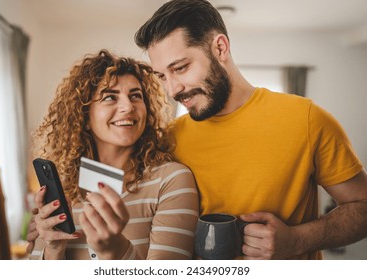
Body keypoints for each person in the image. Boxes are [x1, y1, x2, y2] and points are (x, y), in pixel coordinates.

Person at [134, 0, 367, 259]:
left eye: (180, 68)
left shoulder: (307, 119)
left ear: (220, 48)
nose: (172, 89)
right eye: (162, 76)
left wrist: (299, 239)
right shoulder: (169, 139)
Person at [28, 49, 199, 260]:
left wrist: (115, 251)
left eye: (135, 96)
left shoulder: (170, 180)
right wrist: (53, 248)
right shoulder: (62, 191)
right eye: (110, 97)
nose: (128, 107)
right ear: (84, 116)